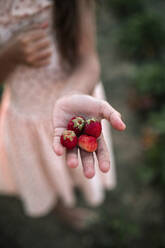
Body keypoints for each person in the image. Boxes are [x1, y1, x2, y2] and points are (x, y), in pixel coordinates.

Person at [0, 0, 126, 229]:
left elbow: (89, 59)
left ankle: (73, 194)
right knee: (46, 170)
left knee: (73, 164)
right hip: (27, 116)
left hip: (73, 100)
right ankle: (61, 207)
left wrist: (72, 95)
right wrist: (8, 56)